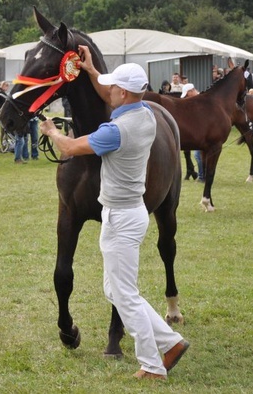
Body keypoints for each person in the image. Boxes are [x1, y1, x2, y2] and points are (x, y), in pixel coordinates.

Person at [39, 51, 189, 380]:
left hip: (122, 218)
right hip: (122, 214)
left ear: (123, 93)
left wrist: (51, 130)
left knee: (126, 294)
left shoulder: (117, 130)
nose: (108, 93)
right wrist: (92, 70)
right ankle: (171, 342)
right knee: (114, 290)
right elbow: (106, 93)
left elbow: (68, 148)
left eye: (113, 89)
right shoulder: (146, 113)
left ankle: (153, 364)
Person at [180, 83, 203, 180]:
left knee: (198, 155)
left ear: (191, 91)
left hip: (203, 132)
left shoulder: (200, 100)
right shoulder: (197, 100)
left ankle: (202, 176)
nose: (186, 97)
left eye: (186, 95)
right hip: (200, 132)